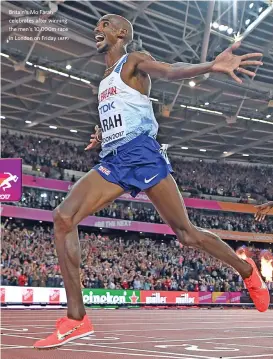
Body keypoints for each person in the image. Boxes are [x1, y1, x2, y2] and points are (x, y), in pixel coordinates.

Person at [34, 14, 269, 349]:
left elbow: (171, 70)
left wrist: (210, 66)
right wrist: (103, 134)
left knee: (187, 234)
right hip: (115, 160)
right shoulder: (104, 80)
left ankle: (246, 272)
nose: (96, 28)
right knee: (63, 218)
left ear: (121, 32)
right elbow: (123, 114)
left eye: (104, 23)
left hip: (143, 156)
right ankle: (76, 318)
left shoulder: (134, 61)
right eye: (96, 24)